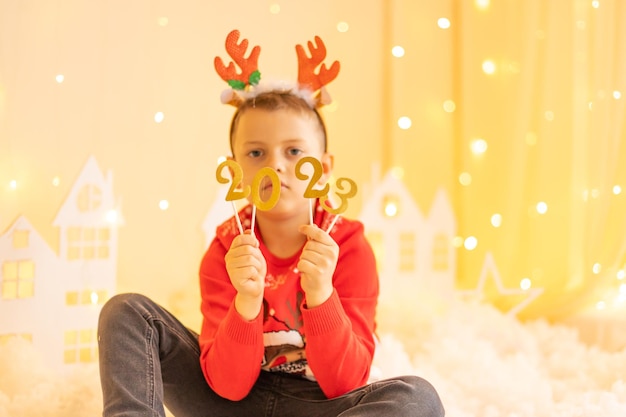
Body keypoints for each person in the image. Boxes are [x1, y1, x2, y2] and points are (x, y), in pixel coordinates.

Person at [97, 31, 445, 417]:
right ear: (236, 171)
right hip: (229, 405)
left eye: (294, 151)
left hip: (321, 407)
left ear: (324, 169)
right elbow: (227, 387)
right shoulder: (227, 249)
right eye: (256, 152)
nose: (275, 166)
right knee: (127, 312)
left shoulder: (347, 247)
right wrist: (246, 303)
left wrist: (321, 294)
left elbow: (346, 382)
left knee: (417, 398)